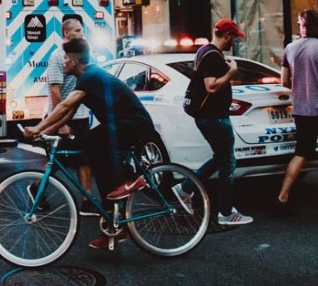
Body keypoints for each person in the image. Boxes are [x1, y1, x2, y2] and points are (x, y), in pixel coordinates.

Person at [24, 37, 157, 250]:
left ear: (75, 61)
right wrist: (45, 132)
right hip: (121, 125)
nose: (63, 62)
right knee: (97, 161)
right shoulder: (85, 79)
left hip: (132, 125)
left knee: (90, 141)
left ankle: (132, 179)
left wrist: (38, 128)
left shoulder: (91, 75)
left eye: (66, 58)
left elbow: (66, 104)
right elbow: (68, 113)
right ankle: (113, 226)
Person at [181, 19, 253, 226]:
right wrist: (230, 73)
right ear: (227, 36)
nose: (234, 42)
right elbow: (211, 87)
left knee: (221, 158)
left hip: (209, 116)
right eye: (234, 38)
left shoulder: (204, 51)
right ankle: (226, 212)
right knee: (227, 162)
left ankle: (185, 187)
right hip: (214, 117)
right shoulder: (212, 56)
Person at [46, 19, 94, 216]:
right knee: (58, 161)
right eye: (77, 30)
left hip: (80, 115)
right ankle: (37, 190)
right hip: (65, 117)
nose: (81, 33)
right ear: (65, 33)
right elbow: (55, 91)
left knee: (85, 158)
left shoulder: (80, 55)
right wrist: (61, 123)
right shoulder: (58, 57)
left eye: (81, 30)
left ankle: (87, 200)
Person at [275, 9, 318, 215]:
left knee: (301, 153)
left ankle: (282, 197)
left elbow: (284, 81)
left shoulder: (290, 48)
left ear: (302, 25)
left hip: (302, 109)